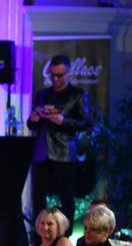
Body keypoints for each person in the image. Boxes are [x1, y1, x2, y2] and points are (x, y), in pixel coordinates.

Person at [28, 55, 93, 236]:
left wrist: (63, 120)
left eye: (59, 75)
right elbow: (32, 124)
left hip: (64, 152)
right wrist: (34, 119)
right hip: (42, 151)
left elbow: (86, 122)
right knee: (38, 196)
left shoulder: (77, 94)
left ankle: (65, 236)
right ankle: (39, 236)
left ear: (68, 73)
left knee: (66, 197)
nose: (55, 79)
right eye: (52, 75)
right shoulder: (42, 94)